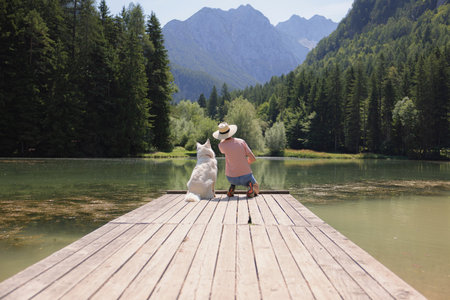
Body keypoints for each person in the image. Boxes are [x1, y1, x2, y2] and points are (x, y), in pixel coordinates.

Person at [213, 122, 259, 198]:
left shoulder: (221, 145)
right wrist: (246, 163)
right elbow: (253, 158)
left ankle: (232, 186)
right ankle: (250, 188)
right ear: (231, 132)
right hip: (246, 176)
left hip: (231, 177)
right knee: (256, 188)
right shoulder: (241, 142)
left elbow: (222, 144)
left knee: (233, 180)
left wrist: (222, 138)